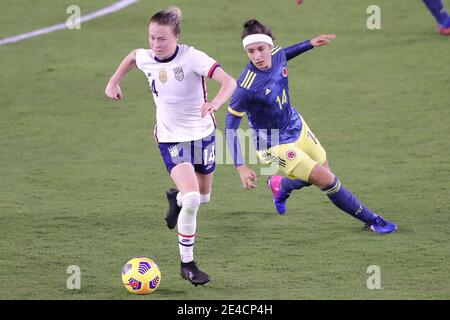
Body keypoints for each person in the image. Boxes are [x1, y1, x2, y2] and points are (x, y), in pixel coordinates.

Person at [225, 19, 397, 234]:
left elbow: (284, 54)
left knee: (321, 172)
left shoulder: (276, 54)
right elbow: (230, 125)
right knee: (328, 181)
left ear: (270, 46)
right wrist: (240, 166)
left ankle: (280, 186)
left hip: (296, 124)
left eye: (261, 49)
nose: (257, 56)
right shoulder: (246, 87)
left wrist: (310, 43)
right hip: (272, 143)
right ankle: (373, 220)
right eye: (250, 51)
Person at [105, 6, 237, 286]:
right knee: (192, 199)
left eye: (161, 39)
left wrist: (215, 103)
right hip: (171, 138)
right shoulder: (147, 57)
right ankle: (187, 264)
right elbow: (132, 56)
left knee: (202, 199)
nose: (155, 44)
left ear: (176, 37)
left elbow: (228, 81)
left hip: (204, 135)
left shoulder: (193, 58)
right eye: (152, 37)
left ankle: (174, 200)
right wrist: (114, 81)